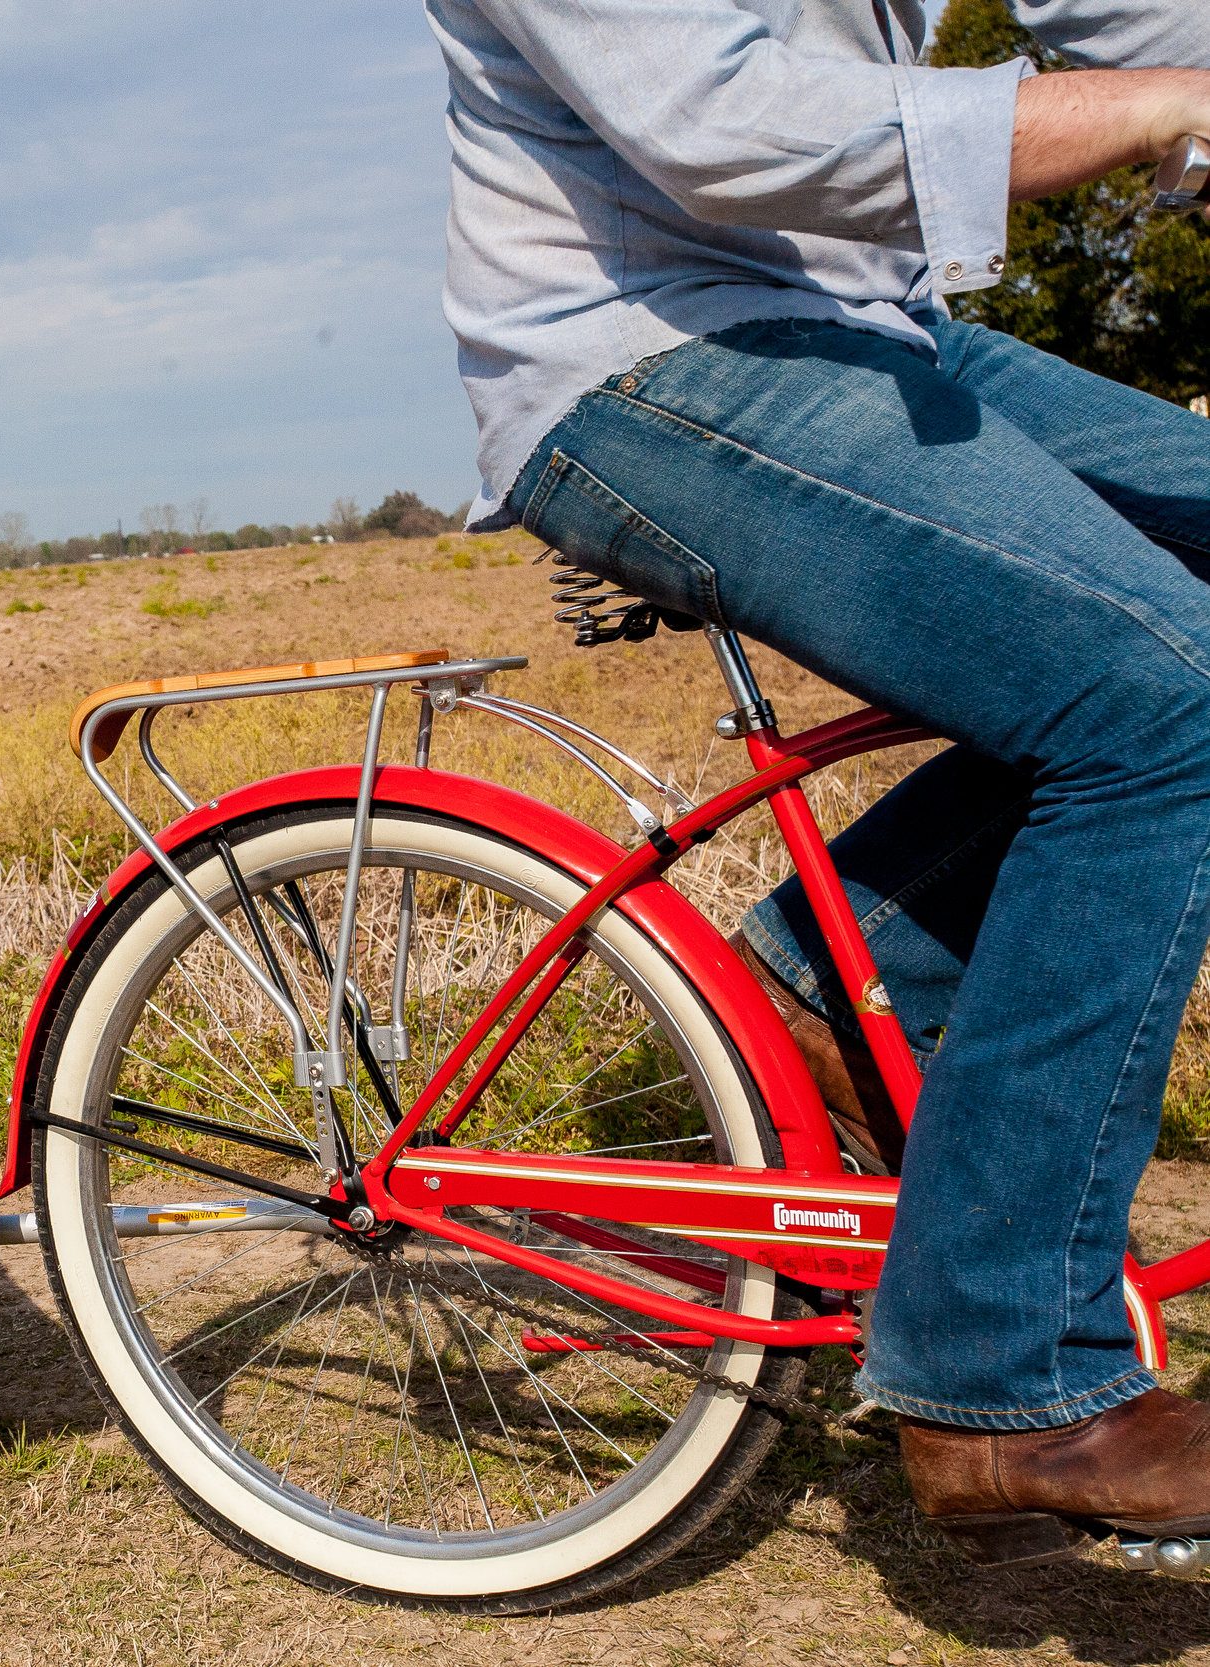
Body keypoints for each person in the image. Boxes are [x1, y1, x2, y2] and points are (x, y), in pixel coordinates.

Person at [428, 0, 1210, 1567]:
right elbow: (718, 124)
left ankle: (847, 986)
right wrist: (1152, 107)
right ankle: (1007, 1378)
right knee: (1170, 697)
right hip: (643, 348)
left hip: (880, 324)